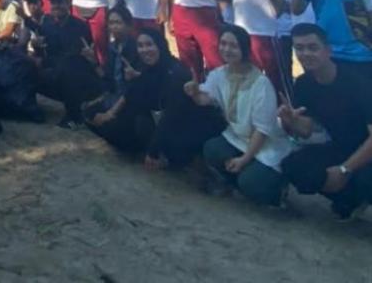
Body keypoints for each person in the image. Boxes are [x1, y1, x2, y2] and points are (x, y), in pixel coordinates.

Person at [185, 25, 294, 206]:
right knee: (212, 149)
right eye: (223, 44)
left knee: (250, 182)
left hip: (266, 144)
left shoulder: (261, 84)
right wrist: (194, 92)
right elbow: (205, 99)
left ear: (244, 49)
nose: (227, 49)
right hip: (238, 138)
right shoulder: (219, 74)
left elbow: (262, 130)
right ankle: (237, 180)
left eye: (233, 45)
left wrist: (245, 159)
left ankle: (276, 190)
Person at [279, 24, 372, 220]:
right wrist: (291, 121)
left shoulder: (359, 82)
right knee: (294, 166)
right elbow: (307, 130)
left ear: (328, 50)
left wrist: (345, 169)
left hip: (367, 147)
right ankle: (348, 200)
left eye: (313, 47)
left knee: (366, 180)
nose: (306, 54)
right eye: (299, 48)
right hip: (340, 147)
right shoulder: (303, 83)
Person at [140, 29, 227, 170]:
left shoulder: (176, 72)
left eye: (149, 45)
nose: (145, 50)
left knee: (175, 144)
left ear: (160, 45)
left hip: (196, 125)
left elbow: (171, 114)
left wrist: (152, 152)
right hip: (174, 121)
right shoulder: (148, 70)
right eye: (140, 46)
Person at [29, 0, 100, 129]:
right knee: (25, 64)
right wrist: (36, 47)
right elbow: (43, 51)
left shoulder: (80, 26)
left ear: (68, 4)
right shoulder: (47, 24)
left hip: (77, 73)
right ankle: (29, 108)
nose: (56, 6)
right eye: (53, 3)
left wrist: (44, 62)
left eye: (60, 2)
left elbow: (73, 56)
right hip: (53, 70)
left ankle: (74, 116)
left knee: (68, 67)